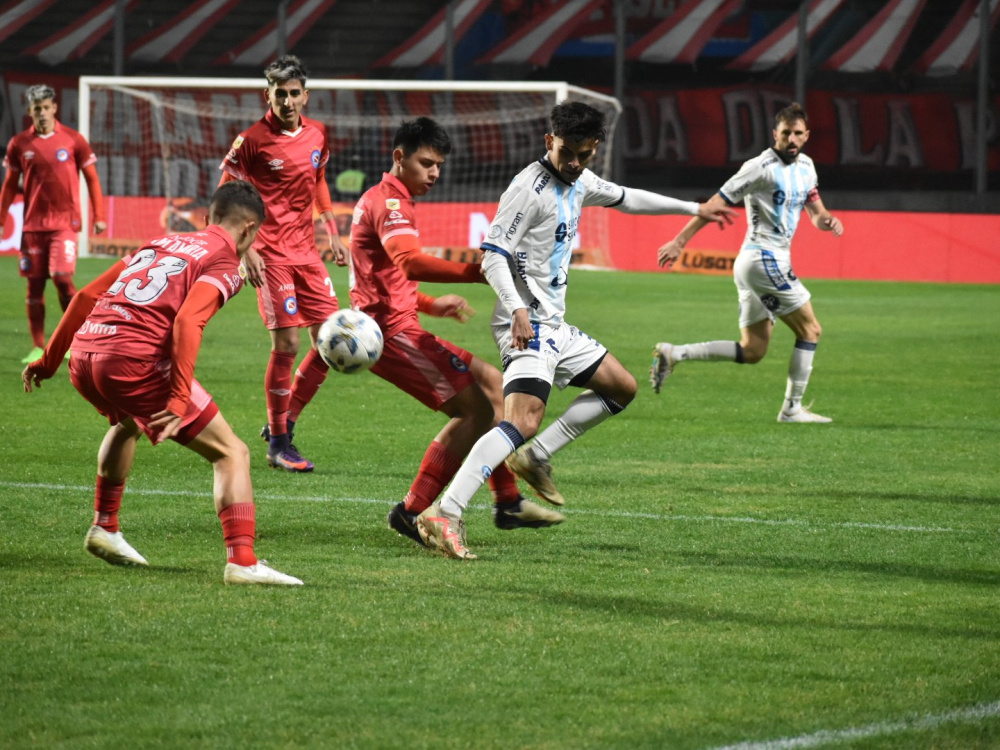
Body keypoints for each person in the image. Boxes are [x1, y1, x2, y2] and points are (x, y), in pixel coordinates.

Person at [416, 101, 735, 559]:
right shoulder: (528, 188)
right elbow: (492, 255)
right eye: (567, 152)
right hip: (524, 324)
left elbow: (628, 198)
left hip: (555, 325)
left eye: (584, 154)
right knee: (519, 419)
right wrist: (517, 308)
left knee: (621, 388)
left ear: (594, 150)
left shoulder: (581, 179)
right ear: (550, 142)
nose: (575, 163)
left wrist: (695, 208)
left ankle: (537, 455)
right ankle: (445, 512)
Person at [21, 181, 303, 585]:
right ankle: (242, 560)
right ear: (249, 230)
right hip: (132, 360)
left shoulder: (160, 243)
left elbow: (84, 297)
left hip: (84, 355)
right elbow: (189, 321)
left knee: (129, 422)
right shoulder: (225, 264)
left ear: (208, 218)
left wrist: (49, 361)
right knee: (232, 453)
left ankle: (105, 527)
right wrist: (177, 396)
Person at [349, 117, 564, 549]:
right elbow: (408, 261)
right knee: (477, 413)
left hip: (399, 323)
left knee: (500, 390)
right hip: (392, 336)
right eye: (426, 163)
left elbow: (383, 278)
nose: (434, 173)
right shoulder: (389, 203)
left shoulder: (387, 199)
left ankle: (507, 501)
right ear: (399, 157)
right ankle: (410, 512)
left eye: (439, 165)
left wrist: (430, 304)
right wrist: (479, 271)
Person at [650, 102, 844, 424]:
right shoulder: (759, 167)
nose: (791, 140)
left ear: (806, 135)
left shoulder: (807, 166)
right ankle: (792, 409)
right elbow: (714, 204)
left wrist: (828, 220)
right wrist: (679, 241)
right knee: (811, 329)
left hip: (758, 264)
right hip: (762, 258)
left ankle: (675, 353)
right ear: (775, 134)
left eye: (797, 134)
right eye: (786, 134)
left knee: (753, 351)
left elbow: (815, 211)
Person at [219, 54, 350, 473]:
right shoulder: (252, 140)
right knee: (287, 345)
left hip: (307, 252)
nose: (288, 100)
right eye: (280, 93)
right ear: (268, 95)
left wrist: (331, 227)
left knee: (330, 343)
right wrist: (246, 248)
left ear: (305, 96)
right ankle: (278, 444)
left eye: (295, 93)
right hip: (270, 253)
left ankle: (283, 421)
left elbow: (318, 180)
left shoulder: (317, 134)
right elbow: (225, 198)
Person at [0, 84, 107, 364]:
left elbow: (92, 179)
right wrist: (1, 218)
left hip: (64, 224)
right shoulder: (19, 144)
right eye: (37, 109)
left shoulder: (73, 140)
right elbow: (10, 185)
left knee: (61, 278)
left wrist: (99, 216)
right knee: (34, 288)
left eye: (47, 107)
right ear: (30, 111)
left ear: (54, 108)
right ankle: (38, 347)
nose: (43, 113)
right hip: (33, 226)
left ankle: (76, 339)